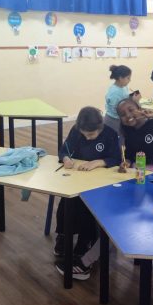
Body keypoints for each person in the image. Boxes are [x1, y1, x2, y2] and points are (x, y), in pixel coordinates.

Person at [66, 98, 153, 277]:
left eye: (131, 110)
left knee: (129, 215)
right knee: (116, 211)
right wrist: (127, 162)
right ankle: (98, 245)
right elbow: (129, 154)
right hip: (135, 173)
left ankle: (87, 261)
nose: (128, 116)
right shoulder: (127, 130)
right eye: (123, 114)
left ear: (140, 108)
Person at [53, 106, 120, 281]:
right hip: (78, 177)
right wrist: (66, 158)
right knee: (67, 200)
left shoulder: (110, 134)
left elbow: (116, 158)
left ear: (100, 127)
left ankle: (85, 240)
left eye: (91, 135)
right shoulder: (76, 131)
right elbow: (64, 149)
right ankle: (63, 235)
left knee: (88, 206)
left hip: (100, 182)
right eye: (84, 134)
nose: (87, 138)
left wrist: (98, 162)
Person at [104, 65, 140, 133]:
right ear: (120, 78)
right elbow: (119, 109)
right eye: (128, 78)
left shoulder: (123, 86)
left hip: (120, 118)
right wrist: (135, 101)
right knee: (118, 136)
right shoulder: (114, 93)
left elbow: (125, 98)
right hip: (114, 120)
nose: (130, 80)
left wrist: (131, 97)